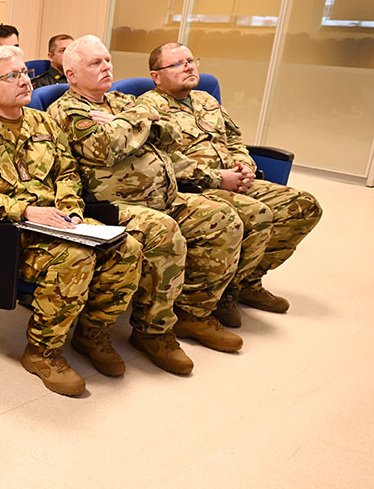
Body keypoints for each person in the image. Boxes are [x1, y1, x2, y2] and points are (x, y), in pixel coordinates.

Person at [0, 46, 141, 395]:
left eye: (25, 73)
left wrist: (71, 210)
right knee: (76, 257)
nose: (24, 81)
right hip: (11, 234)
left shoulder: (43, 122)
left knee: (128, 248)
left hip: (59, 220)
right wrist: (24, 211)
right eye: (12, 76)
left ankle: (92, 333)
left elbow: (68, 173)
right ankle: (42, 351)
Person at [47, 35, 244, 363]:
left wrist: (125, 123)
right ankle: (152, 332)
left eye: (107, 60)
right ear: (72, 75)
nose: (106, 67)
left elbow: (172, 136)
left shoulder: (122, 100)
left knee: (223, 219)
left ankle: (194, 313)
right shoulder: (67, 110)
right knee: (164, 231)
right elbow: (107, 148)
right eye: (95, 63)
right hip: (113, 206)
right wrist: (141, 119)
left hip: (164, 195)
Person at [138, 42, 322, 326]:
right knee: (258, 216)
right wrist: (218, 178)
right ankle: (221, 296)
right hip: (194, 187)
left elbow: (234, 139)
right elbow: (161, 159)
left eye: (191, 60)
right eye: (177, 64)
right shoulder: (148, 108)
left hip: (233, 179)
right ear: (156, 76)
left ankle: (246, 282)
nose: (188, 67)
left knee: (304, 206)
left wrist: (245, 166)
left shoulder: (206, 100)